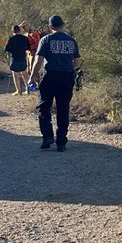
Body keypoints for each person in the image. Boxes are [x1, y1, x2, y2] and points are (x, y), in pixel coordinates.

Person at [27, 15, 81, 151]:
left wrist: (32, 76)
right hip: (66, 76)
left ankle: (47, 136)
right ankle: (61, 141)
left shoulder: (46, 40)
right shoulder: (71, 40)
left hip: (50, 75)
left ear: (50, 27)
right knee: (63, 108)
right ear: (62, 25)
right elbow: (76, 61)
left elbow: (38, 60)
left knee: (43, 107)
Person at [4, 24, 31, 94]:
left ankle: (18, 91)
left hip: (14, 58)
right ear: (19, 30)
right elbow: (28, 47)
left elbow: (6, 49)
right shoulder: (25, 38)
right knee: (25, 74)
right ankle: (28, 89)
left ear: (13, 31)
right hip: (23, 58)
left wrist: (12, 50)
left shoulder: (11, 39)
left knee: (15, 75)